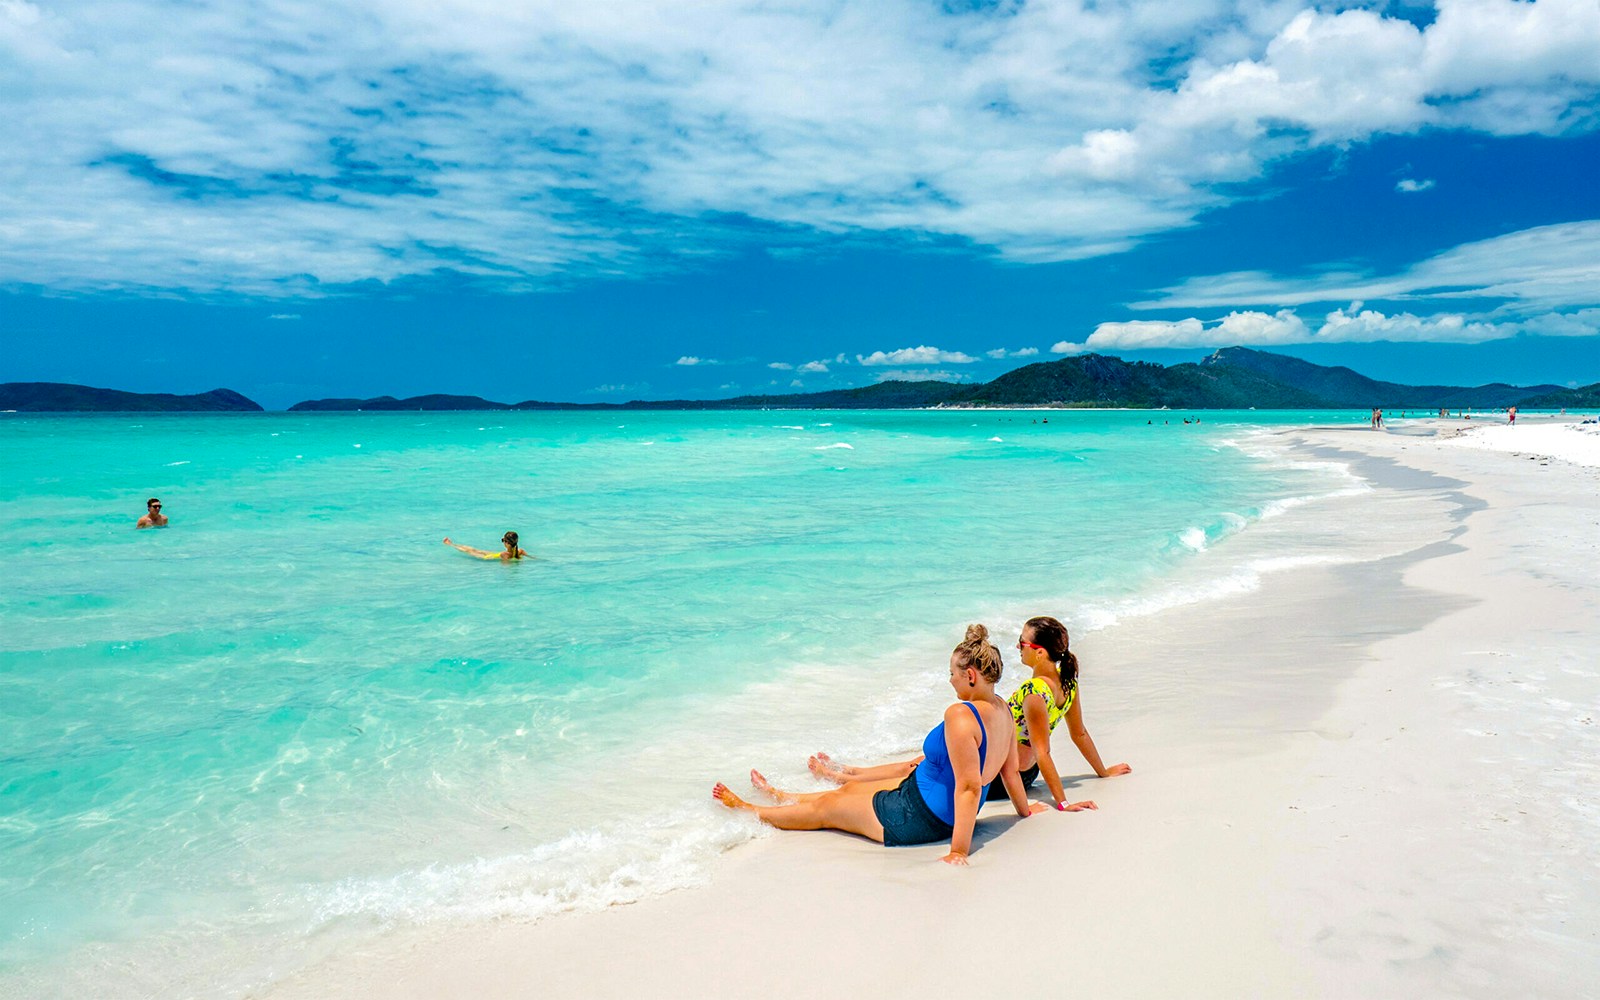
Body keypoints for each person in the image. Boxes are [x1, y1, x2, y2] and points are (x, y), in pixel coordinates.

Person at [711, 626, 1046, 865]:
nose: (950, 680)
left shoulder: (961, 715)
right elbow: (1010, 772)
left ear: (971, 676)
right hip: (923, 801)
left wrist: (958, 850)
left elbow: (970, 787)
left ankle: (749, 811)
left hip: (915, 817)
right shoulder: (1002, 708)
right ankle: (783, 797)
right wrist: (1025, 811)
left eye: (953, 674)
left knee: (827, 808)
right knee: (845, 793)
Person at [812, 615, 1128, 811]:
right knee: (922, 761)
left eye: (1022, 643)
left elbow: (1043, 752)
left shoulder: (1035, 693)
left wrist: (1062, 803)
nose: (1018, 647)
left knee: (920, 767)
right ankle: (847, 772)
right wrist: (1102, 772)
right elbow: (1079, 733)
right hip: (1018, 772)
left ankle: (842, 775)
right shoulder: (1068, 685)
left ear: (1039, 652)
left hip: (1006, 776)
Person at [442, 532, 529, 560]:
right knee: (472, 550)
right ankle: (451, 544)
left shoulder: (505, 554)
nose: (503, 543)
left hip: (489, 557)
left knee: (471, 550)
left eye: (503, 541)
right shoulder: (521, 551)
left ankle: (451, 544)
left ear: (508, 543)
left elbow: (505, 566)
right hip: (494, 555)